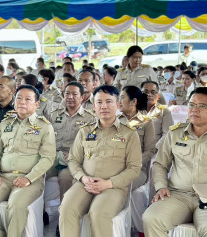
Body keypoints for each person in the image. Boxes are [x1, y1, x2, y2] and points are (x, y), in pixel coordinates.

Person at [59, 85, 142, 237]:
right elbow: (73, 160)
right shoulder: (85, 130)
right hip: (85, 183)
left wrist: (108, 183)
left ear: (118, 105)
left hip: (114, 187)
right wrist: (83, 178)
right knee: (66, 208)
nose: (104, 106)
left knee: (98, 213)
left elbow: (134, 168)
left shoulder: (129, 134)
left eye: (109, 101)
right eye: (99, 102)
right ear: (94, 106)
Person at [0, 85, 56, 237]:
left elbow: (48, 158)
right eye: (19, 98)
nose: (22, 102)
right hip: (4, 177)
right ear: (14, 101)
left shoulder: (44, 126)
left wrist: (28, 178)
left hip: (30, 179)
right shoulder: (6, 123)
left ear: (37, 104)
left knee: (15, 204)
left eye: (28, 99)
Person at [143, 87, 207, 236]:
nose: (194, 110)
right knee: (151, 218)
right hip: (178, 196)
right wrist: (161, 187)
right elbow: (160, 164)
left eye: (202, 106)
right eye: (191, 105)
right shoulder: (175, 133)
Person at [48, 82, 96, 201]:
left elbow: (92, 144)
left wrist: (74, 155)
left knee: (65, 177)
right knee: (38, 173)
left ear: (82, 97)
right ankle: (41, 211)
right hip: (53, 157)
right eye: (67, 94)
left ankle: (64, 211)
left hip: (74, 160)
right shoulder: (54, 115)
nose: (70, 97)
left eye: (74, 94)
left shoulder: (90, 118)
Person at [118, 85, 156, 189]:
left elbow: (150, 151)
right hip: (113, 167)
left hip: (136, 170)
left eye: (122, 97)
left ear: (133, 101)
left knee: (119, 186)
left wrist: (132, 164)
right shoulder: (114, 121)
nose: (119, 101)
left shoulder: (146, 122)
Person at [141, 81, 174, 148]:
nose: (149, 95)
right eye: (146, 92)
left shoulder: (164, 112)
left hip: (155, 151)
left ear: (158, 96)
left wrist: (155, 148)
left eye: (153, 92)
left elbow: (167, 133)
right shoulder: (133, 110)